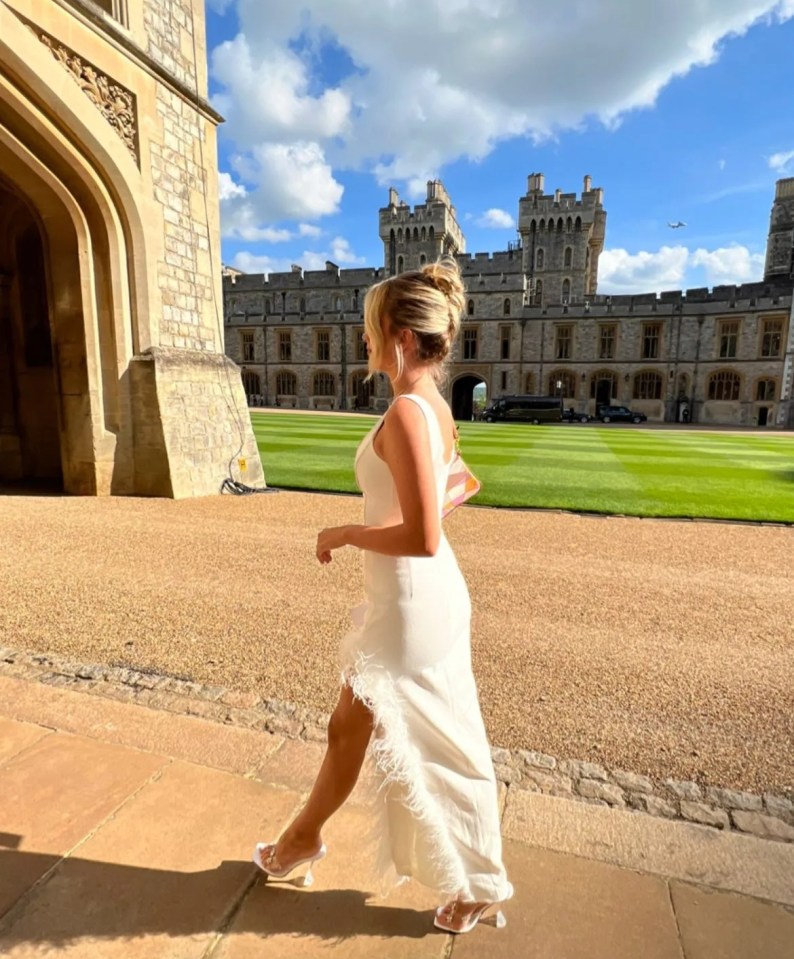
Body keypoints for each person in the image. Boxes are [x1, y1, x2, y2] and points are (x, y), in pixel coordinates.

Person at [252, 258, 514, 934]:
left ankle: (479, 881)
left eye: (370, 328)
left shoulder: (406, 410)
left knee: (440, 740)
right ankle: (303, 838)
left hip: (412, 601)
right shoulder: (433, 405)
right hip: (413, 597)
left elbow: (425, 532)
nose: (361, 338)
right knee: (353, 726)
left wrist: (346, 528)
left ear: (398, 336)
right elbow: (461, 486)